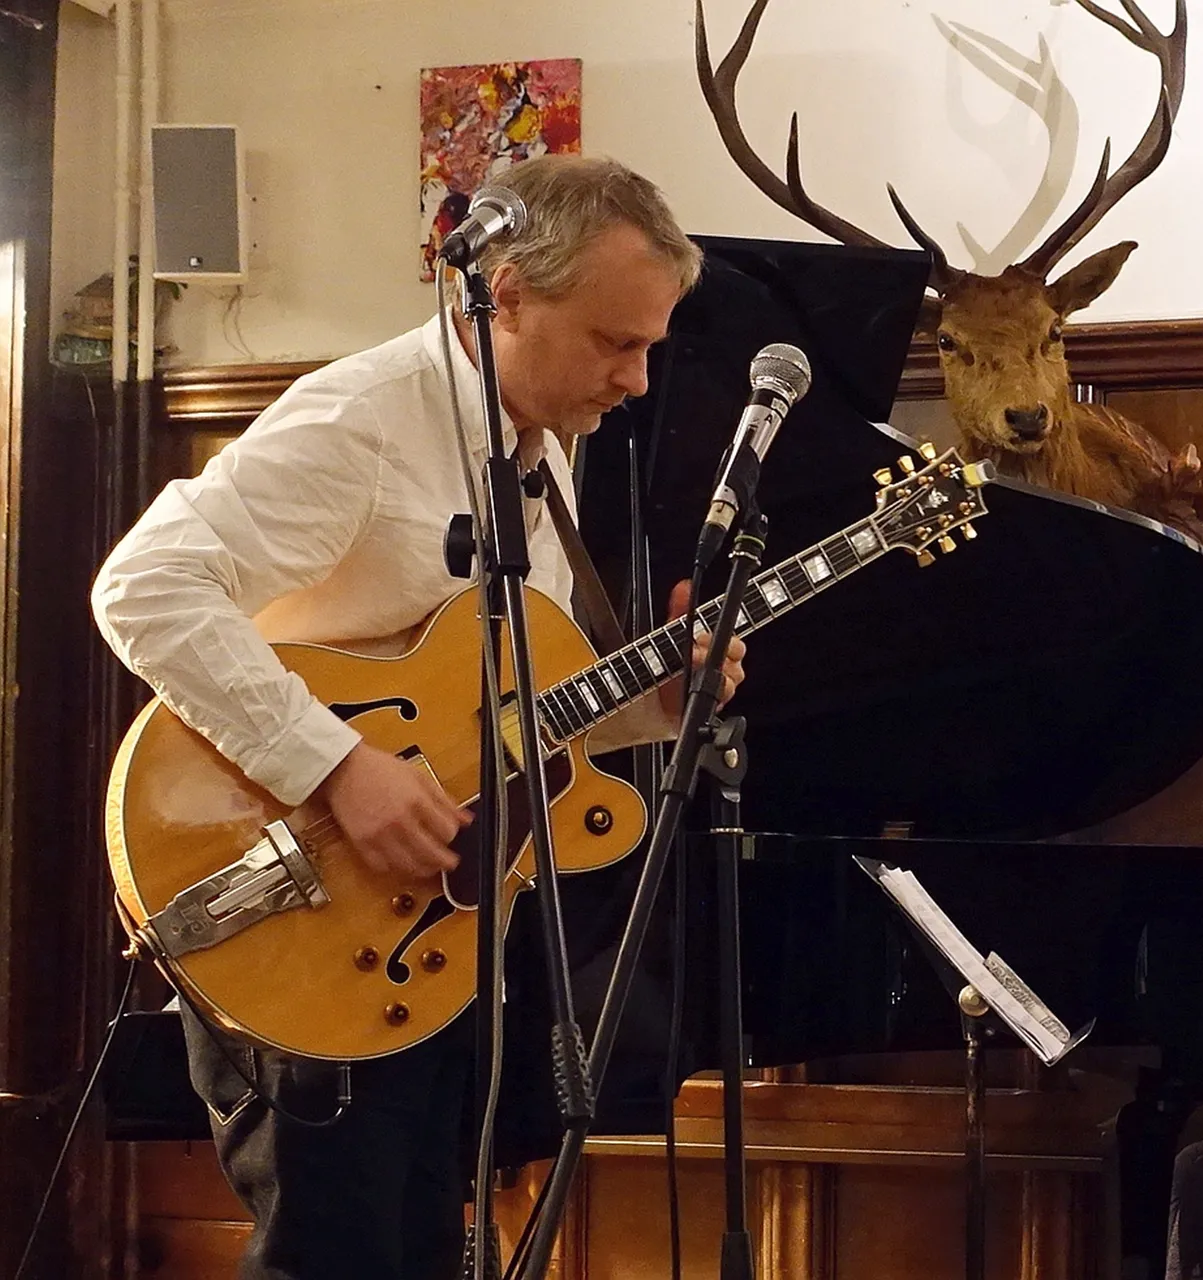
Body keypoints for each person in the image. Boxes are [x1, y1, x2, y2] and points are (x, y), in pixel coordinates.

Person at [91, 154, 747, 1280]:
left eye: (648, 346)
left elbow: (495, 717)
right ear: (506, 295)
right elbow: (143, 586)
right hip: (297, 902)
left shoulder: (535, 451)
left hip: (428, 933)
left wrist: (657, 703)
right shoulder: (362, 420)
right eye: (613, 342)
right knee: (331, 1255)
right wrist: (338, 767)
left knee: (421, 1250)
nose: (637, 381)